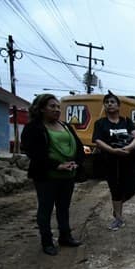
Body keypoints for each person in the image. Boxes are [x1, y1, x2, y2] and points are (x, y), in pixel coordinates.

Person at [21, 94, 85, 256]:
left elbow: (78, 146)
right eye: (52, 106)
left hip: (67, 176)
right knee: (46, 209)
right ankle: (47, 241)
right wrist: (57, 165)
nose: (56, 110)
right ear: (42, 109)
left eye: (58, 107)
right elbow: (33, 152)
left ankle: (65, 236)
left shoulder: (65, 126)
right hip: (46, 176)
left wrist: (76, 162)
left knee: (63, 208)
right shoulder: (34, 127)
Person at [92, 92, 135, 231]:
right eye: (107, 102)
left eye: (112, 102)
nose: (109, 104)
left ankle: (117, 206)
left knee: (131, 189)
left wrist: (130, 147)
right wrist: (112, 150)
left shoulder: (126, 121)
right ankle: (118, 218)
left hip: (128, 160)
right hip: (110, 161)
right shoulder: (100, 123)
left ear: (119, 106)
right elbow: (97, 140)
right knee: (115, 189)